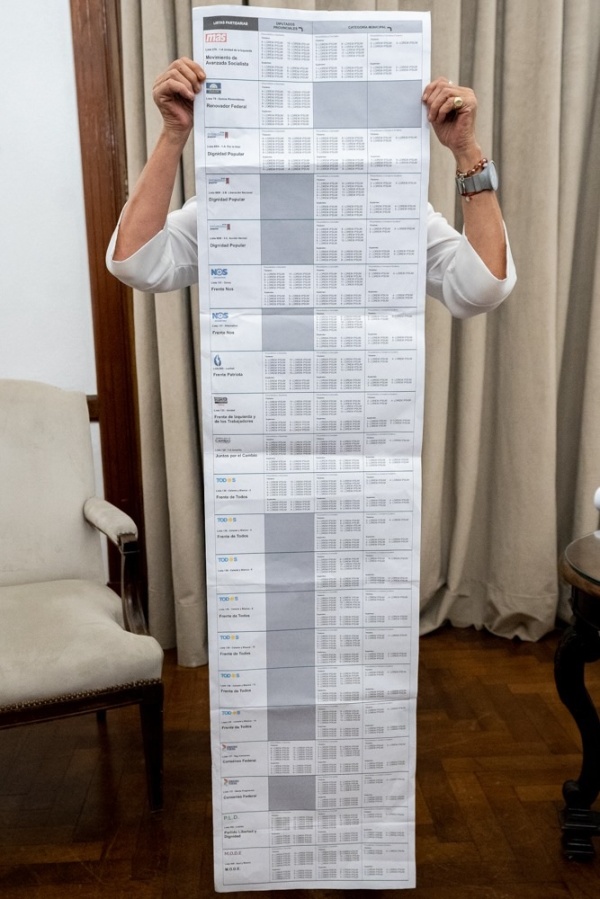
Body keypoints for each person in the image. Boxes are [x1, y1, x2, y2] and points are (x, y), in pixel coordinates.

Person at [107, 57, 516, 316]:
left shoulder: (390, 211)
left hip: (370, 421)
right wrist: (174, 133)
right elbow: (136, 263)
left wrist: (466, 150)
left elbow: (480, 289)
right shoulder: (235, 208)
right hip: (256, 420)